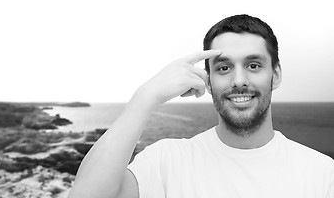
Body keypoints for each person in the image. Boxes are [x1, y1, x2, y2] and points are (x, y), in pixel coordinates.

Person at [68, 14, 334, 198]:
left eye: (253, 65)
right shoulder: (167, 161)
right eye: (224, 67)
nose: (239, 80)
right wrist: (145, 97)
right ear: (208, 81)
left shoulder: (322, 174)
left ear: (275, 75)